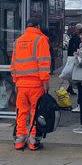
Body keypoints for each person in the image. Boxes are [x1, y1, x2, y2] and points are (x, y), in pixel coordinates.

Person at [10, 19, 51, 151]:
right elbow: (43, 63)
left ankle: (19, 140)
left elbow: (13, 64)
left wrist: (15, 81)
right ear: (38, 26)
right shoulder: (40, 40)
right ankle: (33, 141)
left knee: (21, 112)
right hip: (36, 84)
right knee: (35, 112)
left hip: (21, 84)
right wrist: (45, 81)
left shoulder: (18, 41)